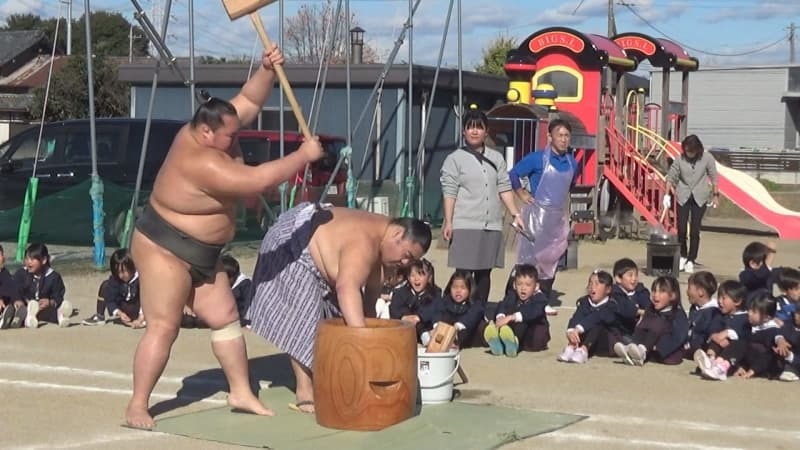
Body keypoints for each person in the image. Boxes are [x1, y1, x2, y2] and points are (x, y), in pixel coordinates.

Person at [124, 45, 325, 430]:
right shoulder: (200, 159)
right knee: (164, 326)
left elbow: (248, 99)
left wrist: (267, 70)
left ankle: (240, 391)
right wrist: (303, 156)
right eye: (230, 135)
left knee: (226, 317)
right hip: (165, 246)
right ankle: (137, 405)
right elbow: (257, 179)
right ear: (205, 132)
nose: (237, 138)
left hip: (205, 250)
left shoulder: (219, 130)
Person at [246, 202, 431, 414]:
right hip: (291, 244)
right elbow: (347, 288)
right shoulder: (364, 241)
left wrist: (369, 327)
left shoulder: (385, 242)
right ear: (397, 234)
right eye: (406, 254)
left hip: (321, 246)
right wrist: (362, 341)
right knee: (306, 318)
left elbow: (371, 294)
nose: (406, 262)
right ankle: (304, 388)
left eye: (412, 260)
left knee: (339, 320)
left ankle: (332, 376)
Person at [440, 107, 523, 305]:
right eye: (470, 128)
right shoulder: (454, 159)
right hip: (465, 223)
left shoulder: (496, 158)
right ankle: (454, 310)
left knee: (485, 273)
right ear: (463, 131)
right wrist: (449, 221)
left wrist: (515, 214)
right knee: (463, 273)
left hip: (491, 224)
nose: (475, 131)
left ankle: (479, 312)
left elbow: (504, 187)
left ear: (486, 131)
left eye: (479, 128)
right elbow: (450, 192)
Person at [508, 119, 578, 299]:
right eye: (559, 135)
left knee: (551, 261)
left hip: (556, 220)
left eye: (566, 136)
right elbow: (513, 174)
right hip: (535, 218)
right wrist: (522, 194)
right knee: (526, 262)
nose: (563, 139)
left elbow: (570, 186)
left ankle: (541, 300)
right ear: (550, 137)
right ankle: (512, 298)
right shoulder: (537, 158)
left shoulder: (572, 163)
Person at [663, 134, 719, 274]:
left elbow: (714, 177)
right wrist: (666, 194)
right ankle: (682, 255)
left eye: (691, 150)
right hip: (683, 195)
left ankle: (691, 259)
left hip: (700, 197)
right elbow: (671, 176)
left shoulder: (707, 158)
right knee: (681, 228)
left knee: (695, 230)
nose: (688, 153)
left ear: (697, 149)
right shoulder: (680, 159)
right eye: (686, 150)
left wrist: (716, 195)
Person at [614, 276, 688, 366]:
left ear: (672, 295)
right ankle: (634, 350)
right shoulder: (650, 309)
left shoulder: (678, 314)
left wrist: (659, 347)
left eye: (661, 291)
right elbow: (642, 328)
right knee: (644, 322)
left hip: (669, 355)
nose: (655, 295)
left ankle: (641, 352)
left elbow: (678, 337)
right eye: (654, 291)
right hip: (651, 350)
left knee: (658, 322)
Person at [483, 264, 550, 357]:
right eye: (519, 284)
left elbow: (532, 312)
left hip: (533, 332)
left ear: (536, 286)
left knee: (523, 324)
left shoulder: (540, 298)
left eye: (528, 285)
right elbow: (503, 304)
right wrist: (500, 316)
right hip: (515, 329)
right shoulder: (512, 295)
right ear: (514, 285)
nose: (523, 288)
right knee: (506, 323)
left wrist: (512, 317)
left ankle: (513, 343)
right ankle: (499, 344)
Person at [559, 270, 622, 364]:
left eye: (597, 284)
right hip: (590, 342)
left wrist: (578, 329)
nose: (592, 286)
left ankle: (583, 350)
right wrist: (571, 331)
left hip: (608, 343)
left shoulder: (612, 305)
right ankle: (572, 347)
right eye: (590, 283)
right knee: (580, 322)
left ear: (608, 289)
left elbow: (597, 316)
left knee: (597, 323)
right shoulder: (584, 302)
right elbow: (577, 316)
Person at [694, 280, 750, 380]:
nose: (720, 301)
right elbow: (713, 327)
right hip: (720, 348)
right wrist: (715, 335)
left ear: (737, 301)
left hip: (737, 354)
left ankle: (720, 368)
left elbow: (744, 334)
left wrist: (728, 333)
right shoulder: (720, 315)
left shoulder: (745, 318)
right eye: (719, 297)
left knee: (738, 345)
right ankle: (710, 360)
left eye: (724, 298)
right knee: (715, 341)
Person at [14, 243, 71, 329]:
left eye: (33, 259)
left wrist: (50, 302)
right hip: (26, 305)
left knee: (50, 311)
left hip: (44, 309)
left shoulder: (53, 277)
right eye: (27, 258)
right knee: (21, 310)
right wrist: (17, 300)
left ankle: (61, 316)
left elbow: (58, 294)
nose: (28, 262)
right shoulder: (21, 273)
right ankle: (28, 319)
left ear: (44, 260)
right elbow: (14, 289)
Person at [82, 248, 143, 328]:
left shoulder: (141, 279)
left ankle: (144, 320)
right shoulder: (116, 279)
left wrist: (140, 318)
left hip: (138, 308)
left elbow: (147, 301)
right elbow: (110, 300)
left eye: (123, 271)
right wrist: (120, 313)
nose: (121, 275)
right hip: (124, 307)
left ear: (132, 267)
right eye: (118, 272)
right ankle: (100, 316)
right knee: (105, 285)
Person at [428, 270, 485, 348]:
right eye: (454, 287)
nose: (458, 291)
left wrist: (459, 325)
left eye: (463, 288)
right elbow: (437, 312)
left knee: (478, 325)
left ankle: (491, 336)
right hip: (450, 331)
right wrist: (437, 325)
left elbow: (474, 314)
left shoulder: (475, 303)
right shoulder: (446, 300)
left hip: (469, 334)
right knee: (443, 322)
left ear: (470, 289)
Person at [388, 258, 440, 342]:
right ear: (408, 278)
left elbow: (434, 310)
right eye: (412, 275)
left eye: (421, 275)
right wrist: (404, 316)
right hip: (404, 330)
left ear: (429, 277)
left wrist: (419, 317)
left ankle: (424, 336)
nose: (416, 279)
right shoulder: (400, 292)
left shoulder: (435, 293)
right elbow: (394, 308)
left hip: (426, 328)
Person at [684, 271, 723, 360]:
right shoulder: (695, 307)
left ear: (701, 292)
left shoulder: (714, 312)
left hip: (702, 347)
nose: (687, 291)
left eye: (689, 288)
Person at [610, 258, 651, 338]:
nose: (634, 279)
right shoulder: (615, 293)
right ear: (618, 278)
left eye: (636, 275)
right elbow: (625, 309)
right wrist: (639, 311)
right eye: (630, 275)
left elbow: (647, 304)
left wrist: (648, 311)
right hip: (622, 330)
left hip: (640, 328)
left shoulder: (640, 290)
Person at [221, 254, 252, 327]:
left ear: (231, 277)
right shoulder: (227, 284)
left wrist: (245, 322)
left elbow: (250, 306)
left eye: (222, 278)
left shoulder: (245, 285)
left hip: (243, 317)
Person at [0, 244, 25, 329]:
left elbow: (12, 287)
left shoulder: (4, 273)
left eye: (1, 255)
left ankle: (12, 317)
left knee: (14, 298)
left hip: (4, 303)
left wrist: (17, 299)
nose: (1, 258)